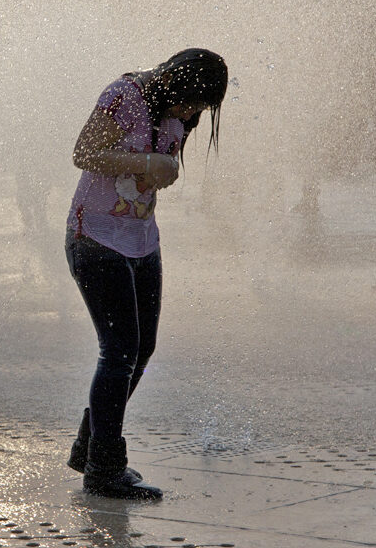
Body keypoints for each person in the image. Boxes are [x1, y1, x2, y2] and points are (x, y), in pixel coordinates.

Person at [64, 49, 228, 499]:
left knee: (142, 350)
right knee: (118, 352)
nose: (194, 112)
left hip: (142, 243)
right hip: (96, 239)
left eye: (202, 107)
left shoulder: (177, 117)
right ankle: (104, 470)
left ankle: (91, 447)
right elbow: (84, 152)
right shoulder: (126, 95)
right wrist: (146, 165)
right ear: (176, 83)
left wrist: (162, 171)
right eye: (193, 101)